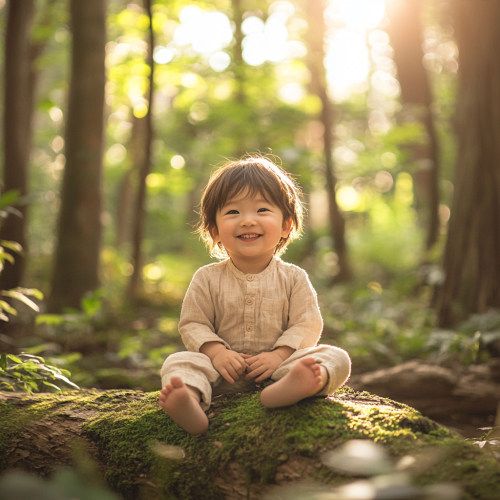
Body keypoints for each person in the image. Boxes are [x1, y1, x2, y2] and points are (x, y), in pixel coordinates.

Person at [159, 156, 351, 434]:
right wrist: (217, 353)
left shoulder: (294, 278)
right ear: (214, 230)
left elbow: (307, 323)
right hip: (220, 374)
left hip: (280, 370)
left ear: (286, 225)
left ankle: (292, 389)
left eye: (262, 210)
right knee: (178, 362)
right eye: (233, 212)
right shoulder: (206, 278)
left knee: (336, 357)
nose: (247, 221)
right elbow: (193, 324)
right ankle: (188, 400)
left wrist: (280, 356)